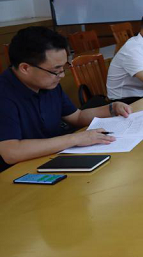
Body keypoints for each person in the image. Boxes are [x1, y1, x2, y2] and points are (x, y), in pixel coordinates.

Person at [0, 27, 133, 171]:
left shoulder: (48, 84)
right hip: (16, 173)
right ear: (25, 68)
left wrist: (111, 108)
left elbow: (77, 116)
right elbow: (11, 152)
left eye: (63, 68)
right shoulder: (4, 94)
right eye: (55, 70)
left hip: (51, 160)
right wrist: (75, 139)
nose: (62, 75)